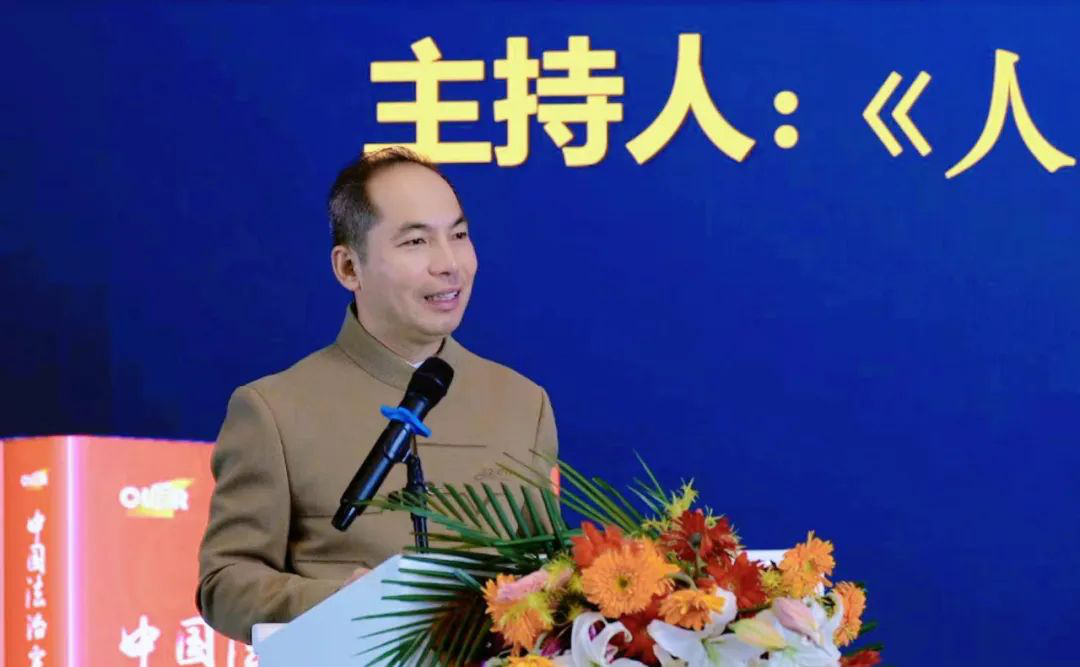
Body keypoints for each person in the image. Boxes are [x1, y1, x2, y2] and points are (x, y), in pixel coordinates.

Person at [196, 147, 558, 642]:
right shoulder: (273, 410)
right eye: (416, 242)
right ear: (349, 268)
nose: (449, 264)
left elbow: (545, 575)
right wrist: (340, 603)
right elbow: (225, 583)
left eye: (459, 235)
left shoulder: (522, 403)